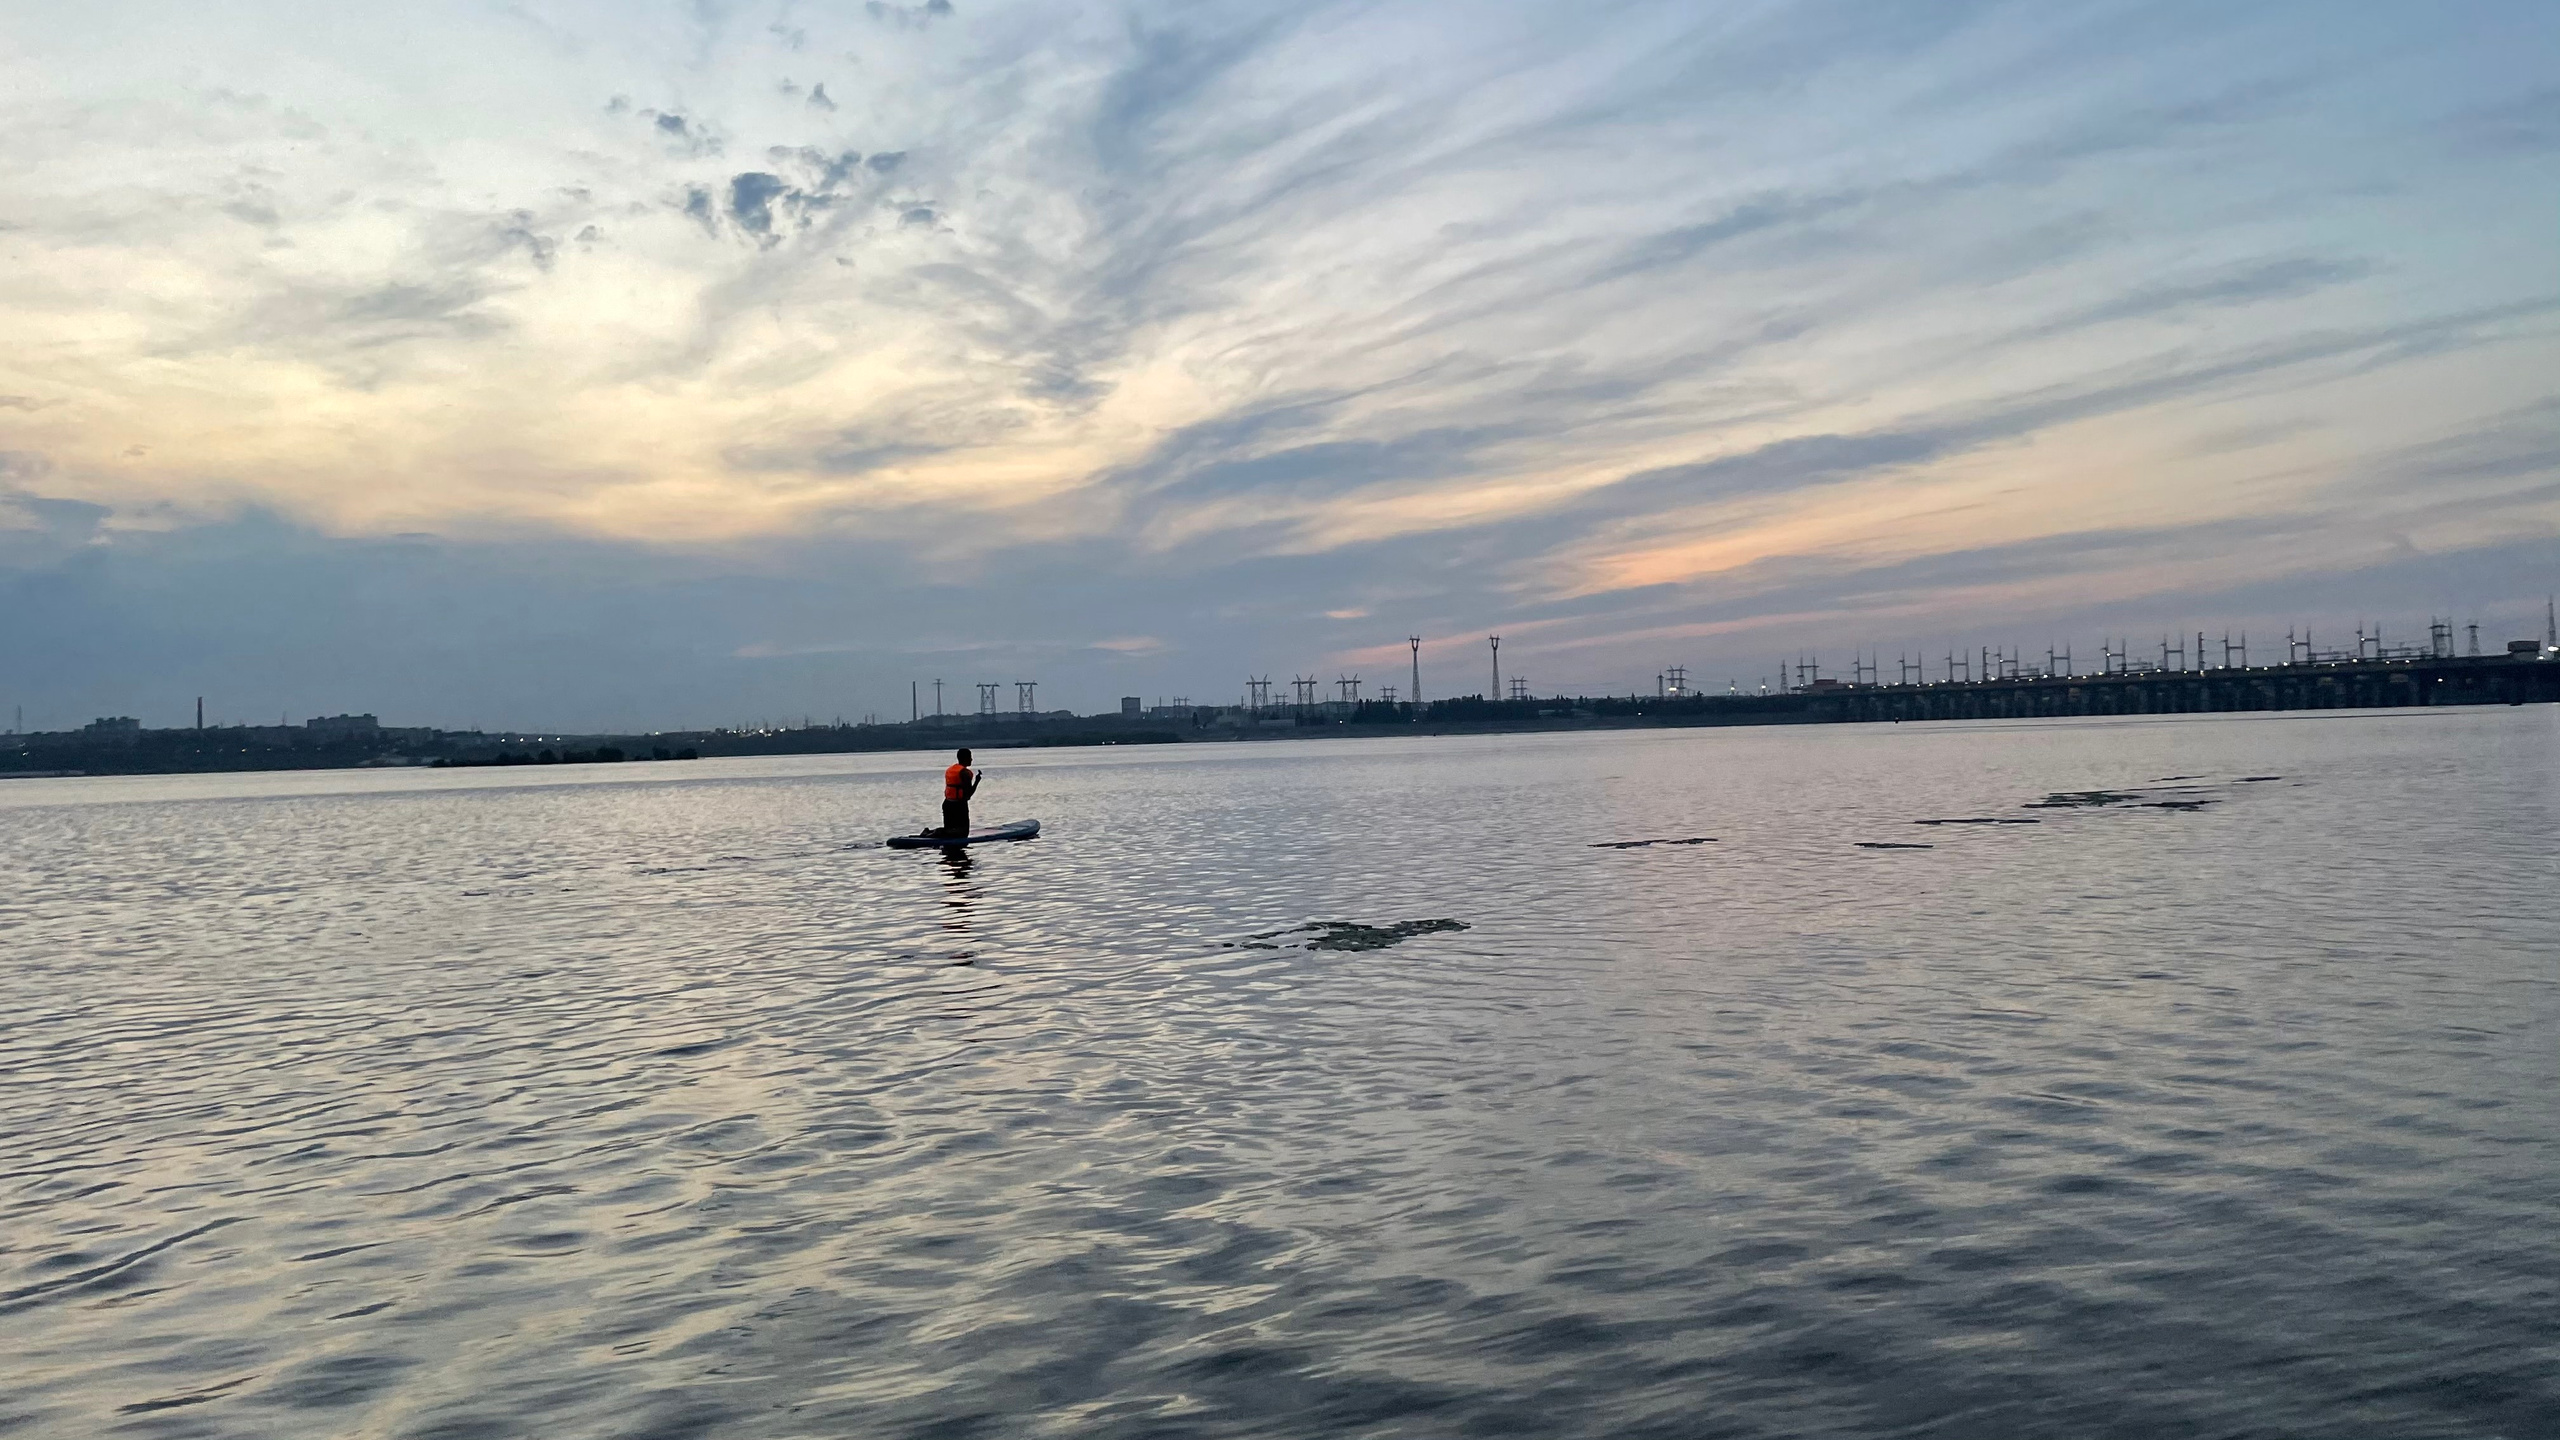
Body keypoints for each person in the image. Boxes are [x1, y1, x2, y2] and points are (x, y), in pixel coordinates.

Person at [940, 748, 980, 839]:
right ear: (965, 758)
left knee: (949, 830)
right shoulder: (965, 773)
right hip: (959, 806)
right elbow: (968, 795)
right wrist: (977, 781)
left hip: (947, 804)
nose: (971, 760)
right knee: (963, 833)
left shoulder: (950, 770)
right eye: (970, 757)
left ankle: (934, 834)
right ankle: (936, 833)